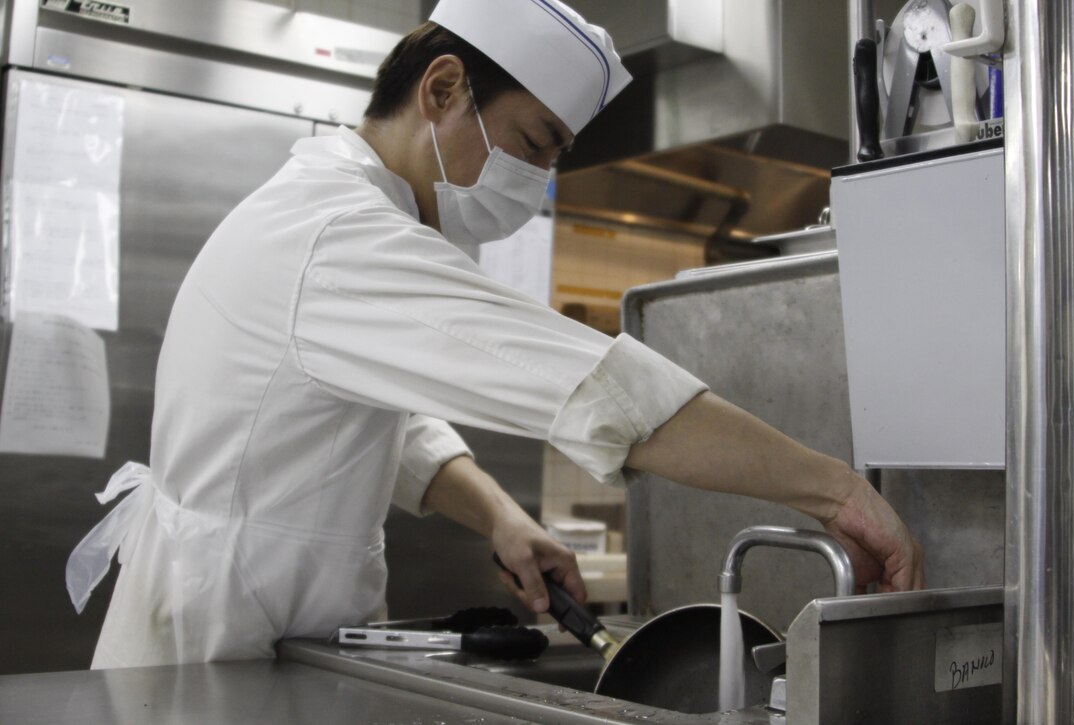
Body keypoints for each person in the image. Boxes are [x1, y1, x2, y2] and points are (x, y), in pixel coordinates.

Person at [66, 0, 924, 669]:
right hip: (212, 656)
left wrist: (504, 518)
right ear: (442, 90)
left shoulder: (350, 210)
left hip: (256, 642)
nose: (537, 181)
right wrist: (836, 491)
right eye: (534, 144)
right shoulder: (340, 234)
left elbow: (384, 428)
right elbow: (603, 391)